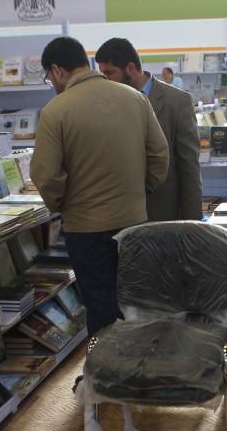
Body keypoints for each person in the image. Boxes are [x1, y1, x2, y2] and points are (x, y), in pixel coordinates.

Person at [30, 37, 169, 335]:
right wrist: (141, 191)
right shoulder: (135, 98)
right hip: (134, 220)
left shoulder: (56, 110)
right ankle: (140, 360)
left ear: (56, 70)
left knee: (101, 307)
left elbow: (46, 176)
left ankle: (107, 364)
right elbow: (159, 155)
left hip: (86, 228)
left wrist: (63, 204)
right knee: (136, 303)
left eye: (48, 77)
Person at [94, 37, 203, 222]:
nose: (106, 80)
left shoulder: (177, 102)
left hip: (163, 215)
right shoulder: (107, 103)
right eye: (103, 74)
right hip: (119, 217)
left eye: (110, 73)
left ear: (130, 68)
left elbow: (189, 169)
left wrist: (193, 224)